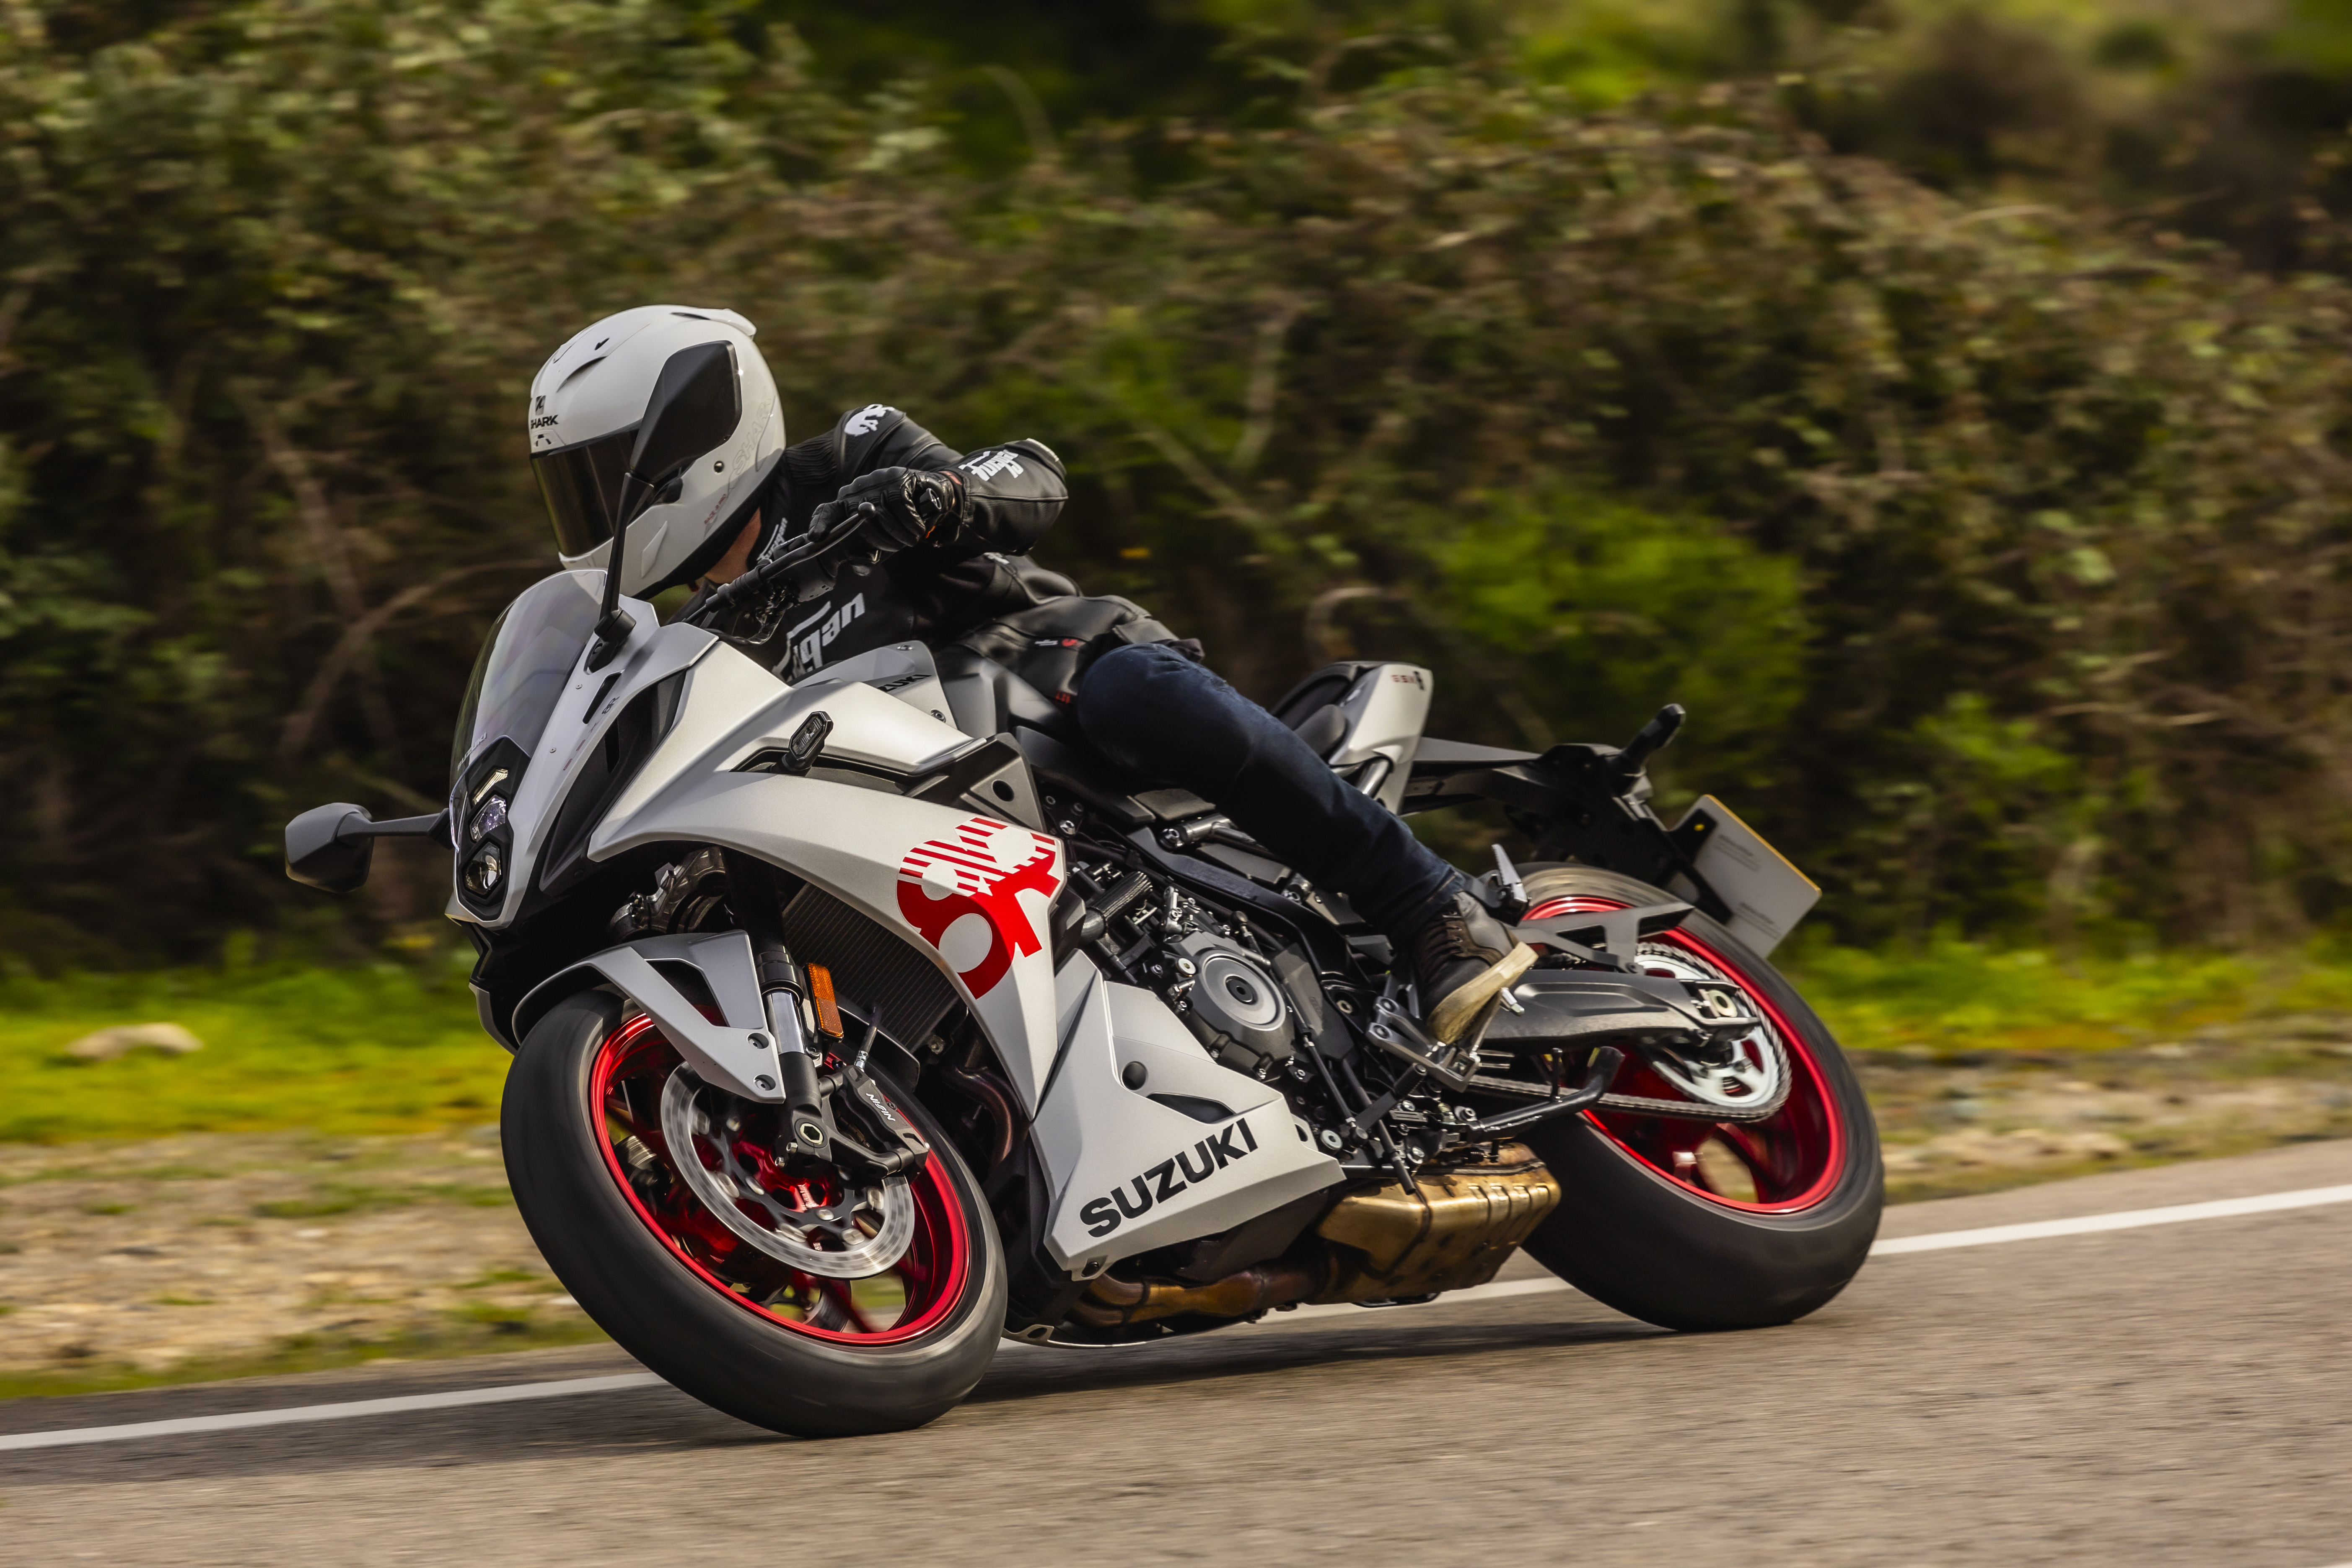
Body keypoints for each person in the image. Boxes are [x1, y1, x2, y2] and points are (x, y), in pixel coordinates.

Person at [526, 305, 1533, 1043]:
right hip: (907, 811)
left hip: (1041, 691)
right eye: (575, 490)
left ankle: (1428, 905)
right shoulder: (698, 636)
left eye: (605, 480)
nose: (596, 516)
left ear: (691, 442)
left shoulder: (850, 458)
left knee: (1132, 691)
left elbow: (1031, 475)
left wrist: (939, 496)